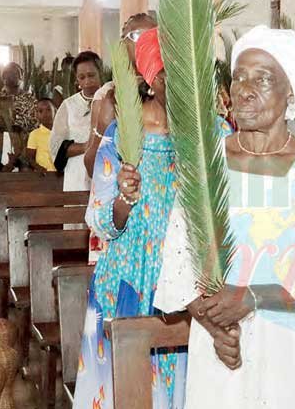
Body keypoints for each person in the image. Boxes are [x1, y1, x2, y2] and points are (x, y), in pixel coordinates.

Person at [154, 25, 295, 408]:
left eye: (263, 79)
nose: (245, 89)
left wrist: (253, 297)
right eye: (239, 77)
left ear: (290, 95)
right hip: (221, 347)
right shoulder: (207, 165)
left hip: (294, 348)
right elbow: (179, 258)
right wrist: (213, 325)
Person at [73, 28, 190, 409]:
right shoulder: (122, 134)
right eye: (169, 71)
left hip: (186, 284)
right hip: (129, 280)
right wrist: (125, 197)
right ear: (150, 75)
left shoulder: (210, 135)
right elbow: (100, 221)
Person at [84, 12, 158, 178]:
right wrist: (103, 129)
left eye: (152, 36)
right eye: (137, 36)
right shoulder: (106, 96)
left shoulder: (168, 92)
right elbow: (91, 168)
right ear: (122, 44)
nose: (146, 42)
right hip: (121, 193)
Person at [50, 50, 102, 192]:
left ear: (100, 73)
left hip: (105, 171)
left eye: (91, 75)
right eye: (81, 77)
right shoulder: (69, 105)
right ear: (77, 80)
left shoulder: (111, 100)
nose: (87, 81)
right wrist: (87, 146)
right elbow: (56, 147)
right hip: (77, 174)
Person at [26, 99, 56, 172]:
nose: (45, 114)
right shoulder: (34, 134)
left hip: (62, 174)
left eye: (48, 110)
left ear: (55, 111)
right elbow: (30, 158)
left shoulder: (62, 132)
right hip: (44, 175)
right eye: (40, 111)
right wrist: (39, 168)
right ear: (37, 115)